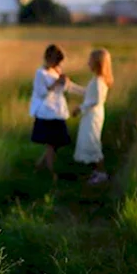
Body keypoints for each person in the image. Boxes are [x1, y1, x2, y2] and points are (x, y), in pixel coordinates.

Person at [69, 49, 114, 185]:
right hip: (90, 115)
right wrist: (70, 86)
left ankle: (101, 174)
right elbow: (87, 93)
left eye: (90, 61)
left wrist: (80, 108)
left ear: (97, 63)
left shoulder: (100, 81)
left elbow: (96, 100)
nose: (88, 63)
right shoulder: (95, 80)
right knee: (88, 141)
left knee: (93, 142)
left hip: (93, 116)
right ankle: (96, 171)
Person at [30, 44, 72, 178]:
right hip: (46, 113)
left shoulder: (57, 71)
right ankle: (50, 171)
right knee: (51, 143)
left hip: (58, 112)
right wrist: (56, 83)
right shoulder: (40, 73)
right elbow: (42, 92)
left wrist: (64, 83)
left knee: (56, 143)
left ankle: (40, 166)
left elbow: (62, 90)